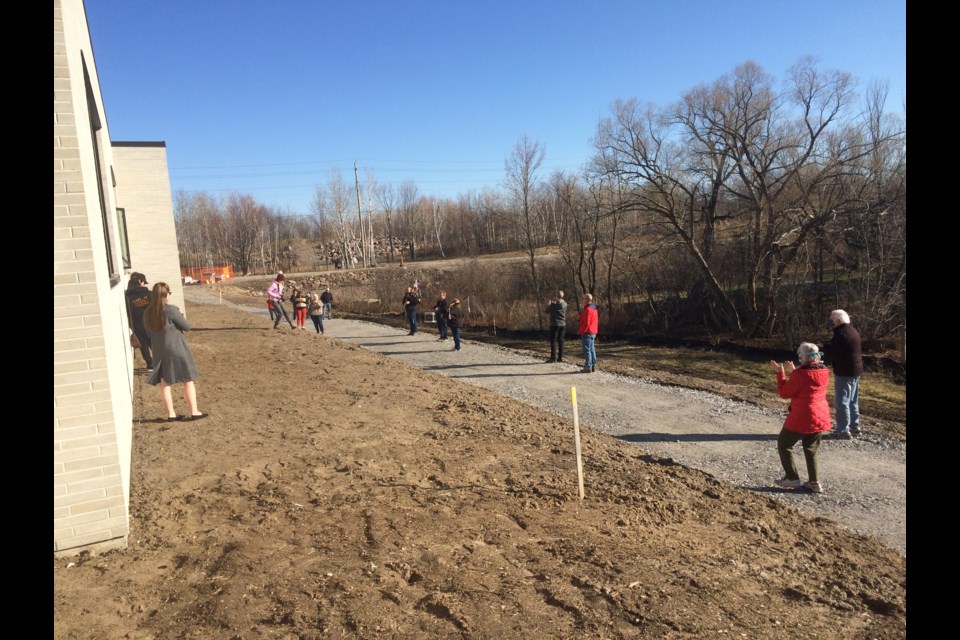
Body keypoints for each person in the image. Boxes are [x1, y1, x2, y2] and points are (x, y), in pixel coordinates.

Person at [768, 342, 832, 493]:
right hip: (819, 414)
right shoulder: (824, 371)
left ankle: (792, 477)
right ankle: (814, 482)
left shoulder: (800, 374)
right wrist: (794, 371)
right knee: (811, 448)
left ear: (802, 357)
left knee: (784, 444)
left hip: (802, 415)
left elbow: (784, 393)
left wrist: (780, 373)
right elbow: (808, 381)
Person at [143, 282, 206, 421]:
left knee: (165, 383)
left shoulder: (147, 313)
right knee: (187, 379)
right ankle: (194, 411)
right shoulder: (171, 310)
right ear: (166, 295)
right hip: (177, 348)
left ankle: (170, 414)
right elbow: (187, 326)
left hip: (159, 350)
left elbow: (148, 333)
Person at [825, 309, 863, 439]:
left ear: (838, 320)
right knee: (853, 400)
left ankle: (843, 430)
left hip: (844, 371)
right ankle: (854, 426)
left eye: (832, 320)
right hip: (856, 369)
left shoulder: (840, 334)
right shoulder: (853, 331)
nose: (831, 322)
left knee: (842, 401)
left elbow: (835, 353)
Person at [125, 272, 154, 371]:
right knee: (154, 343)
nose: (144, 284)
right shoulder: (149, 294)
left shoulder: (127, 297)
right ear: (139, 281)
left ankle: (150, 364)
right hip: (151, 322)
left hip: (137, 324)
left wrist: (131, 326)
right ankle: (160, 363)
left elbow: (128, 313)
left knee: (143, 345)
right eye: (143, 282)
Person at [544, 290, 567, 363]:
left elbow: (547, 311)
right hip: (563, 324)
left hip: (555, 324)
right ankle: (561, 357)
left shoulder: (554, 304)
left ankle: (553, 358)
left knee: (553, 341)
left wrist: (549, 305)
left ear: (557, 296)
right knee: (561, 341)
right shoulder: (565, 304)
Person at [578, 293, 598, 373]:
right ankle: (593, 365)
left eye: (583, 299)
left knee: (587, 350)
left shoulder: (587, 309)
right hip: (593, 331)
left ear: (586, 300)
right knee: (592, 349)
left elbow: (586, 322)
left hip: (587, 331)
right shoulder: (594, 308)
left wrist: (582, 331)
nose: (582, 300)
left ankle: (588, 367)